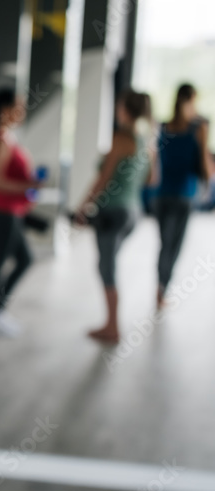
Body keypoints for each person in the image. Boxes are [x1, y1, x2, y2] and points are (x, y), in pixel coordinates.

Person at [76, 90, 155, 344]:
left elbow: (103, 179)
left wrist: (83, 207)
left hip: (113, 211)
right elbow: (152, 179)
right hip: (133, 211)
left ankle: (112, 326)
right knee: (108, 264)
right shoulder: (146, 141)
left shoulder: (121, 137)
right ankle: (111, 323)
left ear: (125, 109)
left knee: (106, 267)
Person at [0, 88, 45, 336]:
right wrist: (29, 185)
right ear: (3, 110)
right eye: (18, 106)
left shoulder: (7, 137)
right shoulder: (1, 141)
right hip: (1, 211)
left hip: (11, 211)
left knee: (24, 260)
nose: (22, 111)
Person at [155, 83, 213, 309]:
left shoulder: (164, 127)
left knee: (164, 244)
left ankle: (159, 288)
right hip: (184, 194)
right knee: (174, 246)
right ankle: (162, 288)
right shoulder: (199, 128)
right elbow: (205, 167)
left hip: (161, 194)